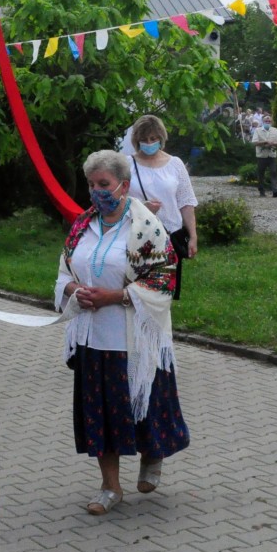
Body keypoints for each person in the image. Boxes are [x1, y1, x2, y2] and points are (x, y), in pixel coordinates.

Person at [53, 150, 189, 516]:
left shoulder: (147, 227)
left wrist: (115, 296)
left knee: (145, 407)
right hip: (92, 337)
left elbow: (163, 280)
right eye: (91, 184)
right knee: (100, 413)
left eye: (104, 184)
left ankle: (152, 453)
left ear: (123, 185)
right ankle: (110, 486)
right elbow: (64, 273)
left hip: (134, 338)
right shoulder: (82, 226)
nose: (97, 192)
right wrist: (73, 290)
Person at [126, 115, 200, 300]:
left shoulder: (175, 164)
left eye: (153, 138)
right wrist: (142, 208)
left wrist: (193, 236)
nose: (149, 143)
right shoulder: (126, 165)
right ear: (137, 140)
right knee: (136, 290)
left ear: (161, 138)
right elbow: (118, 200)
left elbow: (186, 202)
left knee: (164, 291)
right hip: (137, 236)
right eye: (144, 139)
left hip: (170, 237)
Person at [252, 114, 277, 198]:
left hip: (272, 155)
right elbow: (254, 142)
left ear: (271, 122)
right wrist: (264, 142)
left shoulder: (275, 130)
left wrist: (272, 143)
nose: (268, 122)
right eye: (266, 121)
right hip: (261, 156)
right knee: (261, 174)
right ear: (263, 121)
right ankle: (261, 190)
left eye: (269, 121)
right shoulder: (258, 130)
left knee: (274, 172)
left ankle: (275, 191)